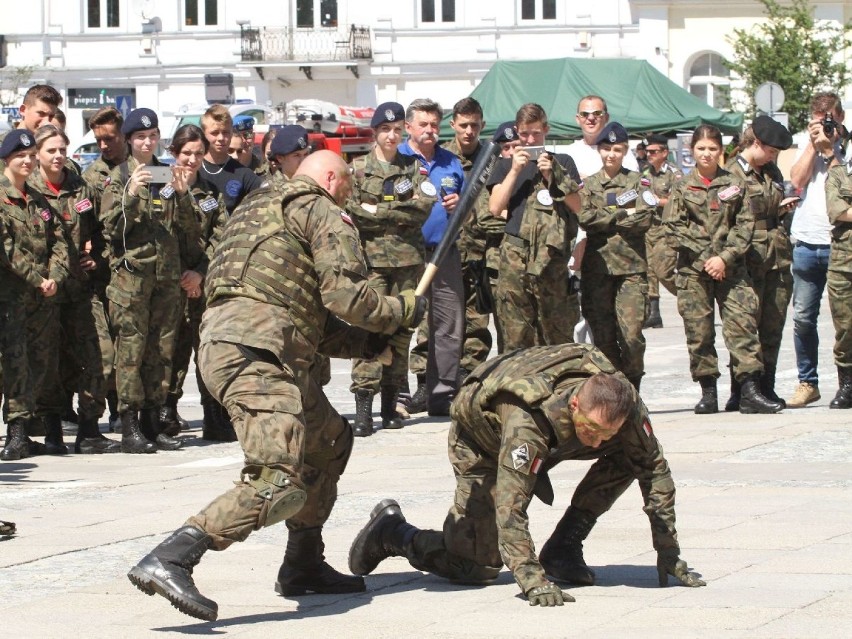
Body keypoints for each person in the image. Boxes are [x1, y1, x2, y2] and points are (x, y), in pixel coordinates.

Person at [127, 150, 426, 622]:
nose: (347, 194)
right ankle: (174, 555)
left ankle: (303, 564)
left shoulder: (256, 208)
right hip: (257, 353)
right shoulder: (318, 205)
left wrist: (370, 347)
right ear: (331, 177)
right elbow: (347, 296)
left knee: (328, 442)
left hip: (247, 344)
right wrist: (402, 309)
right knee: (276, 476)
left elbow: (306, 314)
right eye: (346, 184)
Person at [349, 343, 705, 607]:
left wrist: (669, 552)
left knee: (632, 455)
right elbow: (511, 503)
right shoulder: (528, 419)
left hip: (549, 437)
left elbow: (655, 471)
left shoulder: (620, 406)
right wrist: (532, 580)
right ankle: (394, 532)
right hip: (481, 439)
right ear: (575, 404)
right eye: (590, 429)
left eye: (604, 434)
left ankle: (564, 548)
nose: (596, 440)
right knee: (475, 567)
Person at [100, 108, 199, 453]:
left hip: (166, 279)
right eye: (140, 137)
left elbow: (189, 228)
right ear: (129, 140)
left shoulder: (167, 173)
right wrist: (130, 194)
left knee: (162, 350)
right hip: (132, 278)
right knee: (131, 351)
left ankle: (154, 423)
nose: (147, 142)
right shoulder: (118, 177)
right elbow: (110, 228)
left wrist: (183, 193)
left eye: (152, 136)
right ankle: (129, 425)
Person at [665, 125, 782, 414]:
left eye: (712, 149)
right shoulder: (681, 187)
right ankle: (708, 392)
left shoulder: (734, 183)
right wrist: (709, 258)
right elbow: (673, 228)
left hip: (732, 270)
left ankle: (749, 391)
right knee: (699, 332)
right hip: (694, 271)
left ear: (721, 151)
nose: (707, 154)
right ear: (692, 150)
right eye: (701, 148)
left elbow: (746, 226)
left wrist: (724, 258)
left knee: (742, 327)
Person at [27, 124, 119, 454]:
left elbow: (102, 230)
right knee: (49, 360)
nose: (58, 156)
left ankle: (90, 428)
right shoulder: (30, 190)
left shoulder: (81, 188)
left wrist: (96, 256)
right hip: (46, 292)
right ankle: (52, 430)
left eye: (62, 150)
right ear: (37, 154)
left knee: (102, 354)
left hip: (80, 289)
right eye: (51, 150)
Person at [347, 102, 435, 435]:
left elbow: (422, 208)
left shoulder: (414, 167)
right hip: (371, 264)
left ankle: (390, 407)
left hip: (408, 263)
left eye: (397, 129)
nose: (392, 135)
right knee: (369, 329)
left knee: (401, 332)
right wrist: (397, 210)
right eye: (386, 129)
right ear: (375, 131)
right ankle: (363, 408)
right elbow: (352, 211)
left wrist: (378, 211)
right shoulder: (356, 170)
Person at [158, 124, 233, 441]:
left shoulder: (211, 194)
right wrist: (178, 275)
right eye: (186, 153)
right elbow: (156, 235)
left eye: (198, 153)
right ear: (174, 153)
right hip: (167, 286)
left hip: (202, 286)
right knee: (169, 351)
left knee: (206, 352)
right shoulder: (159, 188)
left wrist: (199, 273)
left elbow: (221, 239)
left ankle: (213, 415)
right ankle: (166, 412)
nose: (192, 159)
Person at [487, 102, 581, 351]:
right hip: (516, 253)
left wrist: (553, 176)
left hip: (552, 255)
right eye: (525, 133)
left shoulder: (563, 161)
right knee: (515, 330)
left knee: (556, 330)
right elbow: (495, 207)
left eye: (536, 133)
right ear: (517, 132)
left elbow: (577, 205)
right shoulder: (506, 165)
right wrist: (515, 170)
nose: (531, 139)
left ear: (546, 130)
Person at [0, 129, 67, 461]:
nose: (26, 161)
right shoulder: (1, 197)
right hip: (12, 298)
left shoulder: (39, 200)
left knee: (39, 363)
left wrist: (55, 275)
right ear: (6, 159)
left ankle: (28, 432)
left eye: (29, 156)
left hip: (43, 299)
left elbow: (60, 242)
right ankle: (15, 433)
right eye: (19, 156)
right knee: (14, 364)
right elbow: (7, 252)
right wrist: (37, 278)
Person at [399, 98, 465, 416]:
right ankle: (395, 394)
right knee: (401, 320)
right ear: (408, 126)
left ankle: (443, 395)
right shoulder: (397, 159)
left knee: (448, 324)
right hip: (404, 252)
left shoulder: (451, 162)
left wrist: (458, 204)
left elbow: (468, 209)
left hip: (444, 252)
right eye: (423, 124)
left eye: (434, 125)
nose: (429, 130)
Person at [724, 117, 794, 410]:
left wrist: (782, 207)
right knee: (744, 327)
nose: (774, 157)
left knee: (772, 325)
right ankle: (744, 390)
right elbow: (725, 220)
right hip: (747, 259)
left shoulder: (770, 171)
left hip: (776, 257)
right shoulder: (731, 174)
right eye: (771, 151)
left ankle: (766, 386)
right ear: (756, 143)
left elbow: (769, 207)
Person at [577, 122, 654, 390]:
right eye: (607, 149)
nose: (611, 154)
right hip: (598, 270)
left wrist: (606, 218)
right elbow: (585, 218)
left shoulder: (639, 181)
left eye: (617, 149)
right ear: (599, 150)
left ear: (625, 151)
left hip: (631, 270)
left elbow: (644, 218)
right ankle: (614, 391)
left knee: (631, 335)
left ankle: (633, 385)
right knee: (603, 335)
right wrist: (624, 213)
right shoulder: (587, 184)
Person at [787, 93, 847, 407]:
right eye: (818, 120)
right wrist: (813, 145)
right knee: (803, 318)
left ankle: (845, 383)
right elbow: (796, 180)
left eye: (829, 120)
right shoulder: (807, 142)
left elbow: (844, 186)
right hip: (807, 242)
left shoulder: (848, 148)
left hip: (840, 243)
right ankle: (807, 382)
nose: (824, 125)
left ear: (840, 118)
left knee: (845, 321)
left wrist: (833, 149)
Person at [81, 106, 128, 433]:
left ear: (123, 135)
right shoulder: (91, 176)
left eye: (109, 138)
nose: (103, 145)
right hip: (101, 276)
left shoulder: (142, 170)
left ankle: (125, 414)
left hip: (132, 274)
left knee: (129, 349)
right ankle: (92, 421)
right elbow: (82, 225)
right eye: (98, 139)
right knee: (103, 350)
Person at [445, 98, 495, 381]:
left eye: (474, 125)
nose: (469, 131)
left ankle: (469, 376)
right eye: (463, 125)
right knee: (439, 322)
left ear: (482, 125)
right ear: (453, 124)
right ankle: (428, 383)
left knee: (477, 322)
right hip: (447, 253)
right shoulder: (442, 158)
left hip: (480, 253)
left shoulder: (491, 159)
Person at [640, 133, 681, 329]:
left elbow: (678, 201)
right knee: (649, 272)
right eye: (647, 151)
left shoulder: (674, 173)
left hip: (667, 228)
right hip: (649, 227)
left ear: (664, 152)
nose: (649, 154)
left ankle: (689, 296)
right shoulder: (646, 173)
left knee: (663, 271)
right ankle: (654, 314)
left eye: (653, 151)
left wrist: (658, 201)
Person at [823, 139, 852, 409]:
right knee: (845, 328)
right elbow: (837, 210)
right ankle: (847, 384)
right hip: (844, 265)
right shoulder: (838, 174)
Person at [198, 104, 265, 213]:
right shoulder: (193, 169)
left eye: (225, 132)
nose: (221, 138)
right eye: (214, 133)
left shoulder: (244, 175)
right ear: (203, 134)